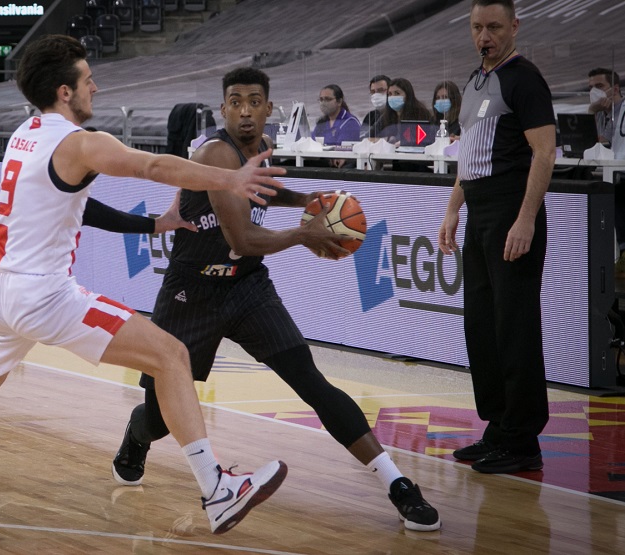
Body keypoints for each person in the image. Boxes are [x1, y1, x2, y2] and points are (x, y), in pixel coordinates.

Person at [0, 35, 289, 536]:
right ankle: (217, 489)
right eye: (87, 78)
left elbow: (77, 206)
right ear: (65, 91)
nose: (96, 84)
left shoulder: (25, 134)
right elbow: (153, 166)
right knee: (172, 355)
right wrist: (230, 180)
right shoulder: (82, 143)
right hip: (42, 295)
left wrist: (152, 226)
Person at [110, 66, 441, 532]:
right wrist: (303, 234)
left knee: (311, 381)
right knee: (161, 419)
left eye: (254, 101)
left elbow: (265, 193)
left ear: (268, 107)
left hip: (246, 287)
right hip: (192, 291)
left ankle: (398, 484)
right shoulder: (217, 154)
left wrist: (307, 198)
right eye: (235, 101)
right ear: (223, 108)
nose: (245, 110)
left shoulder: (259, 150)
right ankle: (136, 433)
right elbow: (243, 237)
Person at [438, 0, 556, 475]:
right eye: (476, 27)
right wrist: (452, 210)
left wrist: (526, 219)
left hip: (512, 211)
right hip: (480, 215)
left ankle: (523, 439)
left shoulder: (524, 78)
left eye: (493, 27)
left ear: (513, 26)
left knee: (515, 328)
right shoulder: (475, 80)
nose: (484, 35)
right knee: (482, 326)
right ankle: (499, 427)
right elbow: (470, 155)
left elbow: (544, 153)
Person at [587, 68, 622, 147]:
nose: (593, 91)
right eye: (591, 88)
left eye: (599, 86)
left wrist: (591, 110)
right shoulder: (599, 111)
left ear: (615, 89)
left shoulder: (622, 111)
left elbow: (603, 143)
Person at [360, 75, 391, 140]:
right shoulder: (370, 116)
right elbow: (363, 138)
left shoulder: (398, 115)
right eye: (373, 92)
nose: (376, 95)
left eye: (381, 90)